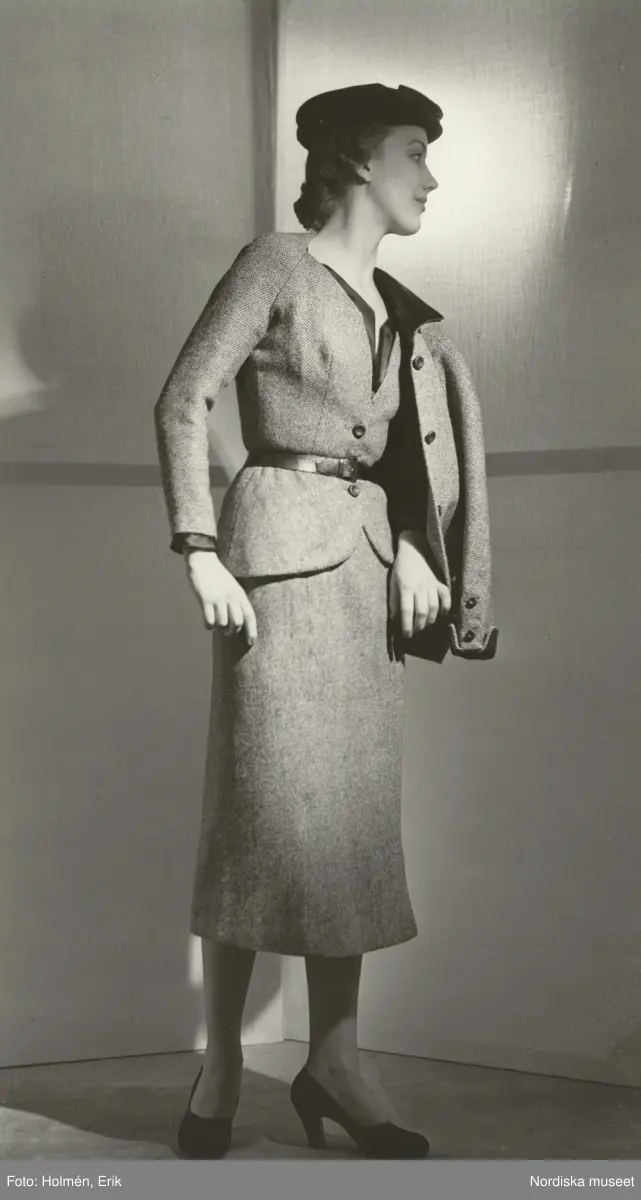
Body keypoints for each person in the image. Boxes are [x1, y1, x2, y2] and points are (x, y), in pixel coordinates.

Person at [153, 82, 498, 1160]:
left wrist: (411, 544)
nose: (429, 177)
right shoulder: (275, 264)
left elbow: (392, 459)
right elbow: (184, 398)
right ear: (355, 159)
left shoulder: (398, 308)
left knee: (346, 829)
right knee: (260, 819)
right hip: (271, 568)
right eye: (413, 152)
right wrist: (197, 545)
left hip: (364, 585)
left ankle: (334, 1062)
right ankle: (222, 1060)